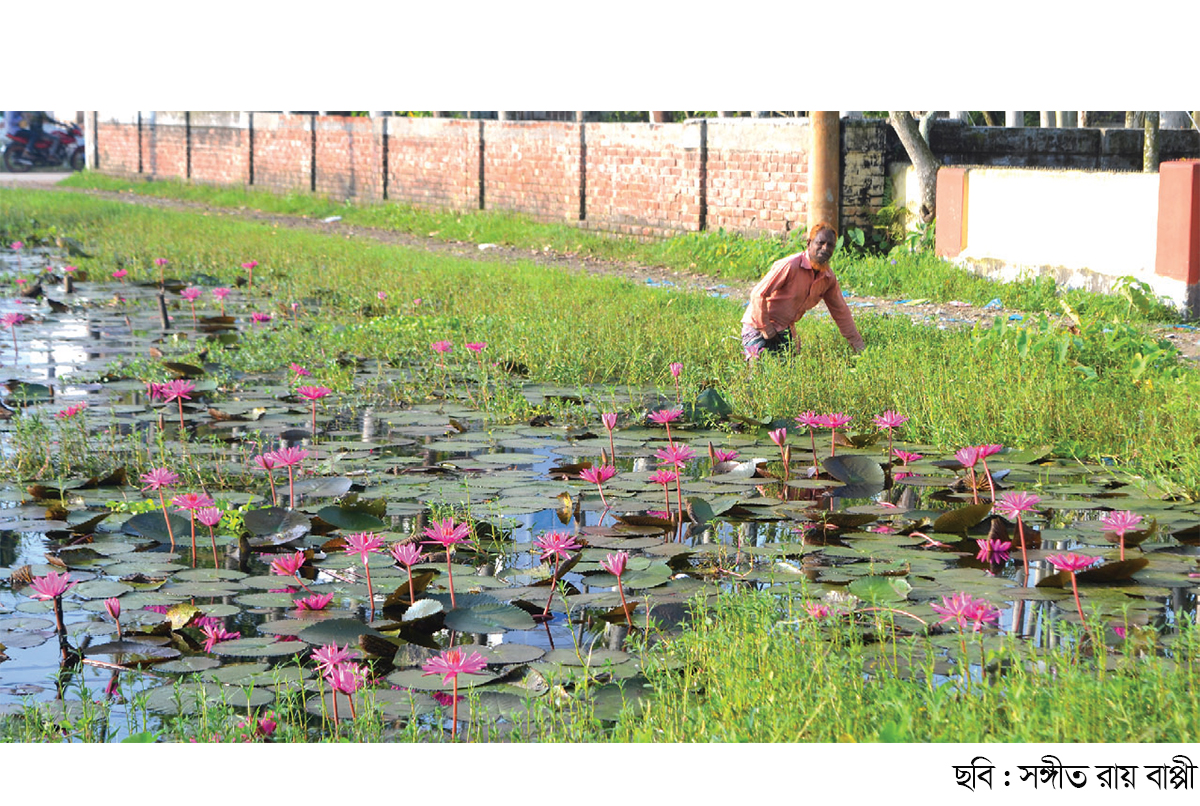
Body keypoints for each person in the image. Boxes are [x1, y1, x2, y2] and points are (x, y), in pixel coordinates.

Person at [740, 222, 865, 356]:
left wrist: (860, 348)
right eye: (820, 243)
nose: (825, 248)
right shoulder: (790, 265)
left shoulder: (828, 278)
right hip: (758, 326)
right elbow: (758, 294)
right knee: (759, 370)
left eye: (830, 245)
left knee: (789, 371)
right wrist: (767, 329)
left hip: (784, 329)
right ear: (809, 243)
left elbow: (841, 312)